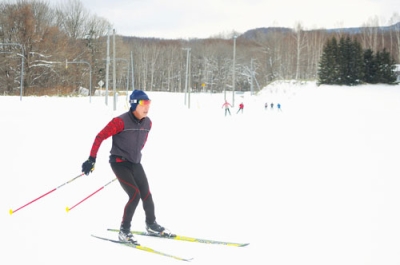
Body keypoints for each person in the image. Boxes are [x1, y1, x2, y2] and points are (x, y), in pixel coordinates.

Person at [81, 89, 168, 245]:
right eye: (143, 103)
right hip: (119, 162)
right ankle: (124, 231)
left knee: (146, 193)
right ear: (134, 105)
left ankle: (151, 225)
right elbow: (100, 136)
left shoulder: (148, 123)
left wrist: (134, 158)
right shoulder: (120, 121)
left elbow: (141, 143)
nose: (147, 107)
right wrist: (91, 159)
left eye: (149, 103)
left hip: (134, 163)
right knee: (134, 194)